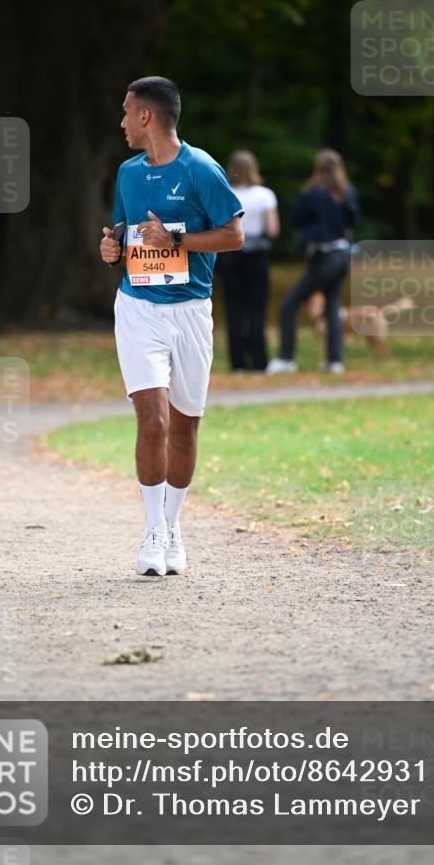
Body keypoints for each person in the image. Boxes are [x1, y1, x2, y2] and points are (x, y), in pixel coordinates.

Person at [99, 77, 244, 576]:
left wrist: (176, 242)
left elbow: (234, 236)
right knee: (154, 422)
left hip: (191, 312)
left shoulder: (201, 169)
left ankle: (174, 525)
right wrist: (111, 249)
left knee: (184, 427)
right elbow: (121, 234)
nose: (121, 122)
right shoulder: (128, 173)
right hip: (138, 309)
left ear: (146, 116)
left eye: (126, 112)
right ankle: (152, 529)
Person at [266, 148, 359, 375]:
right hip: (343, 255)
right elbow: (354, 219)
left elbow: (296, 219)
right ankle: (334, 361)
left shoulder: (313, 192)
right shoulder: (346, 191)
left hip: (323, 256)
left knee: (289, 305)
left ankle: (286, 357)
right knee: (333, 305)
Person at [218, 150, 280, 372]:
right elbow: (272, 229)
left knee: (233, 308)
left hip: (230, 253)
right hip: (256, 256)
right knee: (256, 308)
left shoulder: (226, 194)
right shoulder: (265, 195)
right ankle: (259, 361)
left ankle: (238, 363)